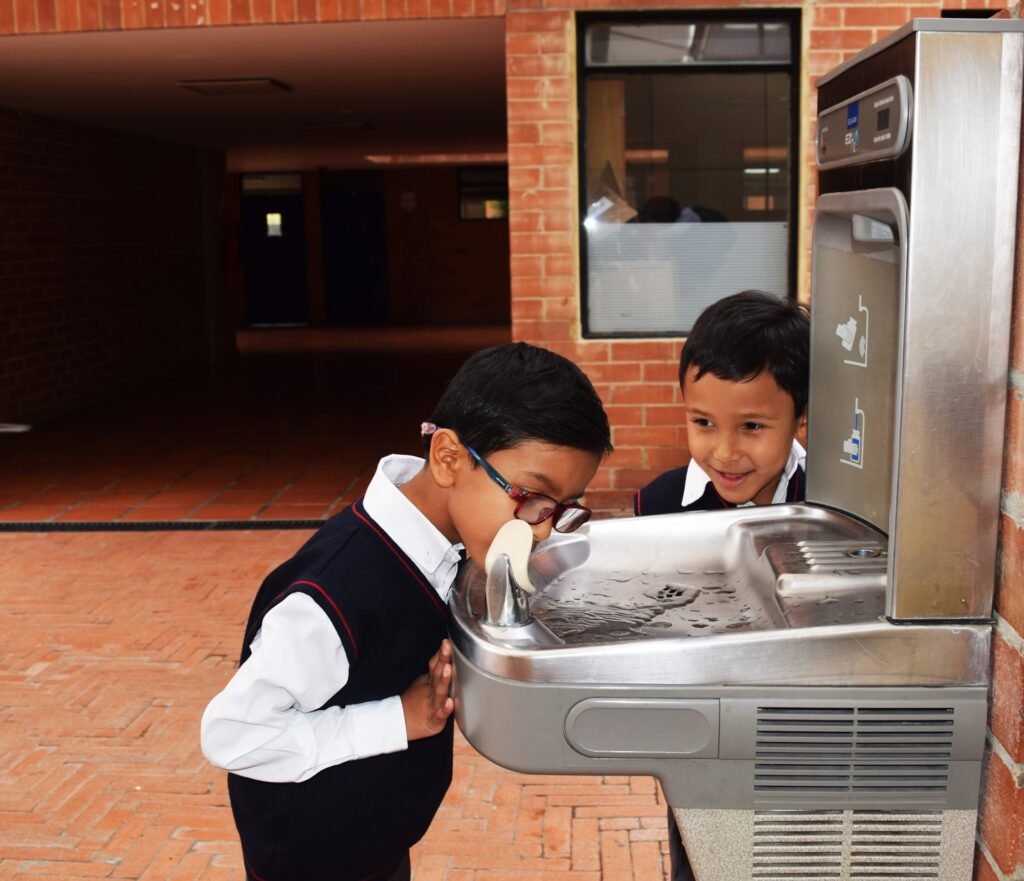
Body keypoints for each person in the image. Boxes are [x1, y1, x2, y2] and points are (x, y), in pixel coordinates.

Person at [201, 342, 613, 881]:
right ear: (447, 458)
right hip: (313, 861)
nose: (541, 529)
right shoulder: (334, 594)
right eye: (534, 498)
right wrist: (400, 716)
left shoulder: (453, 541)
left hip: (375, 845)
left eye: (563, 508)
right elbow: (233, 732)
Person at [633, 289, 810, 880]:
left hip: (800, 747)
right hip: (700, 748)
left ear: (801, 416)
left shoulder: (831, 502)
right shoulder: (658, 505)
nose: (725, 451)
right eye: (703, 423)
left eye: (753, 426)